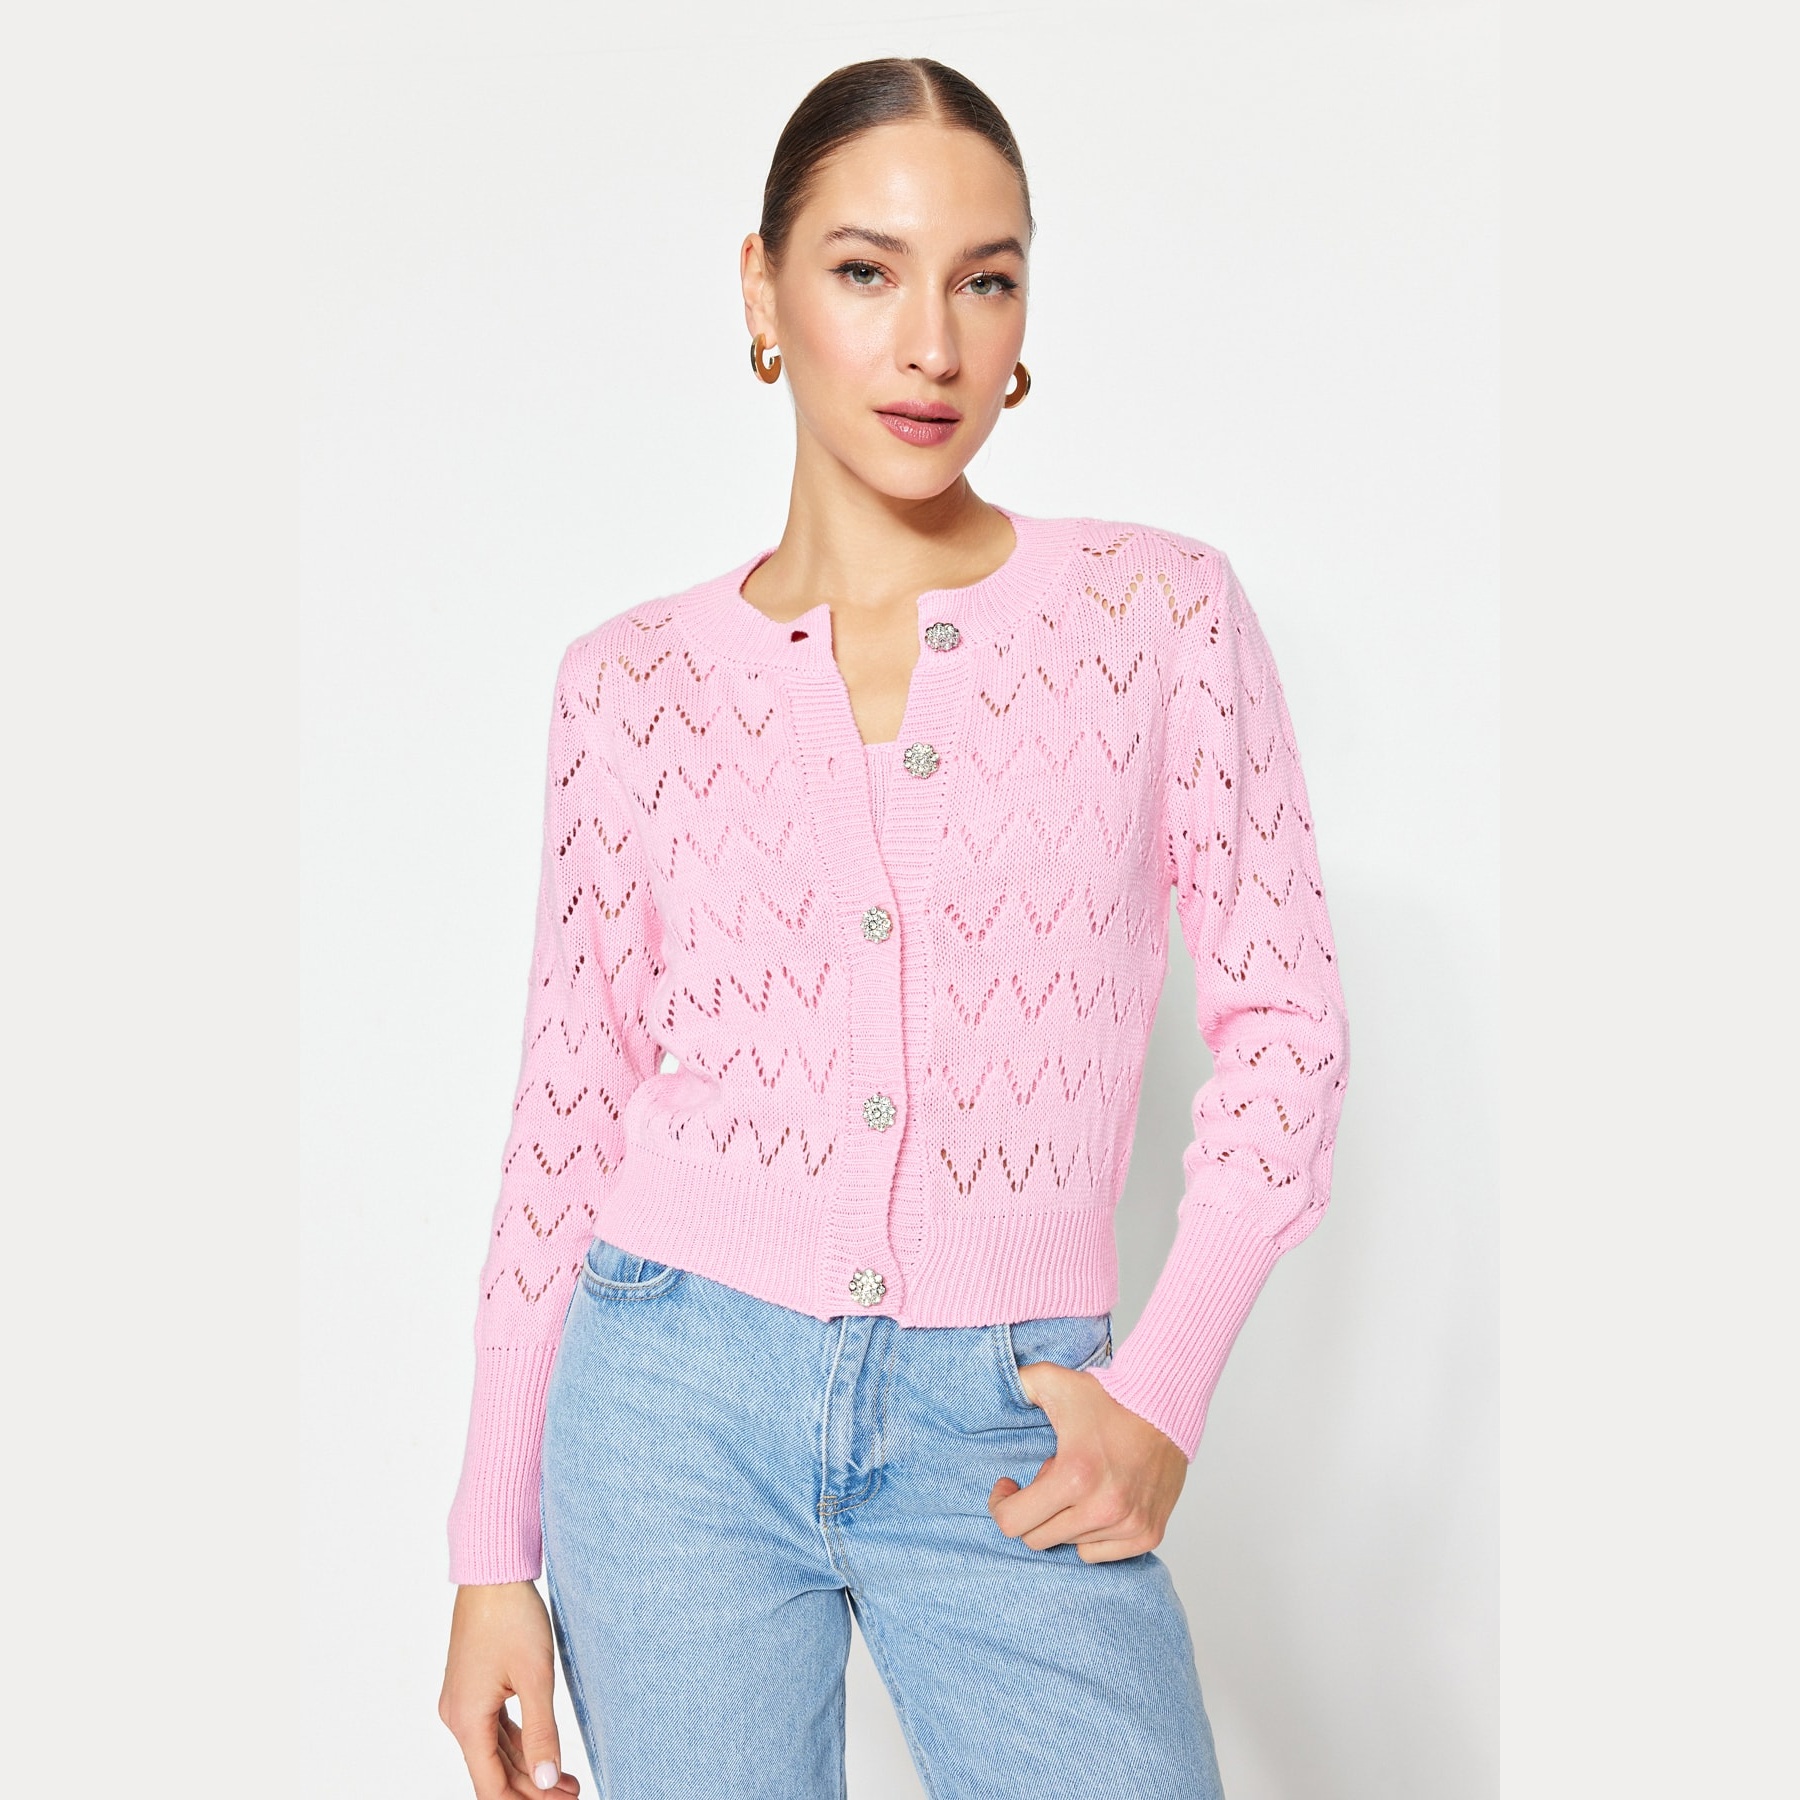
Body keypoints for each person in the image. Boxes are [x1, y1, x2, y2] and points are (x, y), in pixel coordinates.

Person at [438, 53, 1350, 1800]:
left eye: (984, 279)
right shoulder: (629, 686)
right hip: (668, 1407)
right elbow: (568, 1111)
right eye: (867, 270)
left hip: (1011, 1415)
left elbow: (1286, 1029)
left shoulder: (1155, 617)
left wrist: (1163, 1389)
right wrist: (493, 1547)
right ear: (763, 289)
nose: (932, 342)